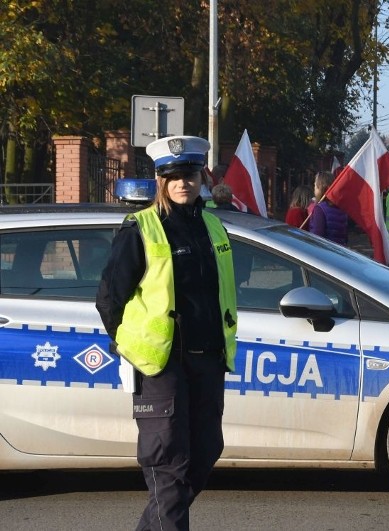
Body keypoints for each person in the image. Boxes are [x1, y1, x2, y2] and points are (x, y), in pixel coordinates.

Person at [95, 136, 238, 530]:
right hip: (163, 365)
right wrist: (128, 346)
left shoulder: (211, 224)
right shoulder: (140, 228)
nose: (182, 183)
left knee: (206, 451)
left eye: (189, 174)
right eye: (173, 176)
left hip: (208, 360)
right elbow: (109, 298)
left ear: (200, 177)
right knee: (170, 465)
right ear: (160, 180)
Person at [309, 171, 349, 246]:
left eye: (315, 185)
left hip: (324, 253)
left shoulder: (319, 209)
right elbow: (345, 236)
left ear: (321, 187)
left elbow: (317, 237)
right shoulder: (342, 208)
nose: (314, 188)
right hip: (340, 251)